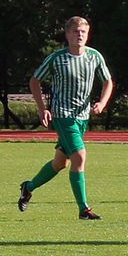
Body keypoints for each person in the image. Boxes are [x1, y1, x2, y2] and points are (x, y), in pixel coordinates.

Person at [18, 16, 113, 220]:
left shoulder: (94, 56)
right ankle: (84, 209)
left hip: (82, 117)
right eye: (75, 31)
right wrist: (42, 109)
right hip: (63, 115)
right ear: (67, 34)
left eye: (83, 32)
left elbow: (108, 81)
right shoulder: (57, 58)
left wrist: (102, 102)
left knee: (60, 163)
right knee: (79, 156)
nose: (80, 35)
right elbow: (35, 80)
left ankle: (28, 187)